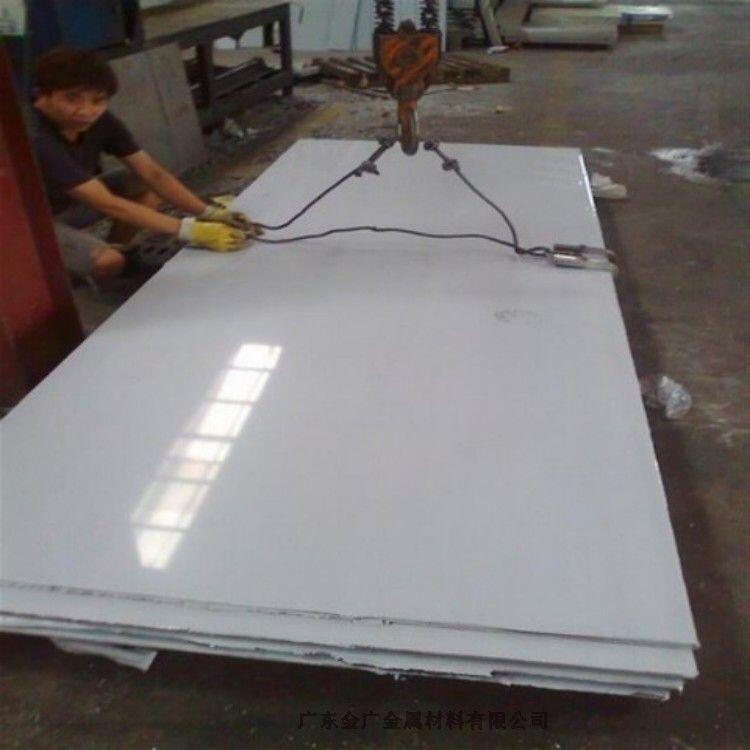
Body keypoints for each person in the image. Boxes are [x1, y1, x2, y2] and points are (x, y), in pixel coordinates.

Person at [31, 47, 260, 280]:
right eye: (72, 99)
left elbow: (152, 174)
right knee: (108, 261)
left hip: (64, 203)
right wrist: (192, 230)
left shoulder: (100, 121)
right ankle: (80, 273)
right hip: (27, 224)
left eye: (98, 100)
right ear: (42, 95)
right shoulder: (35, 136)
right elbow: (106, 203)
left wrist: (209, 213)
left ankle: (113, 248)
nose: (86, 111)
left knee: (143, 184)